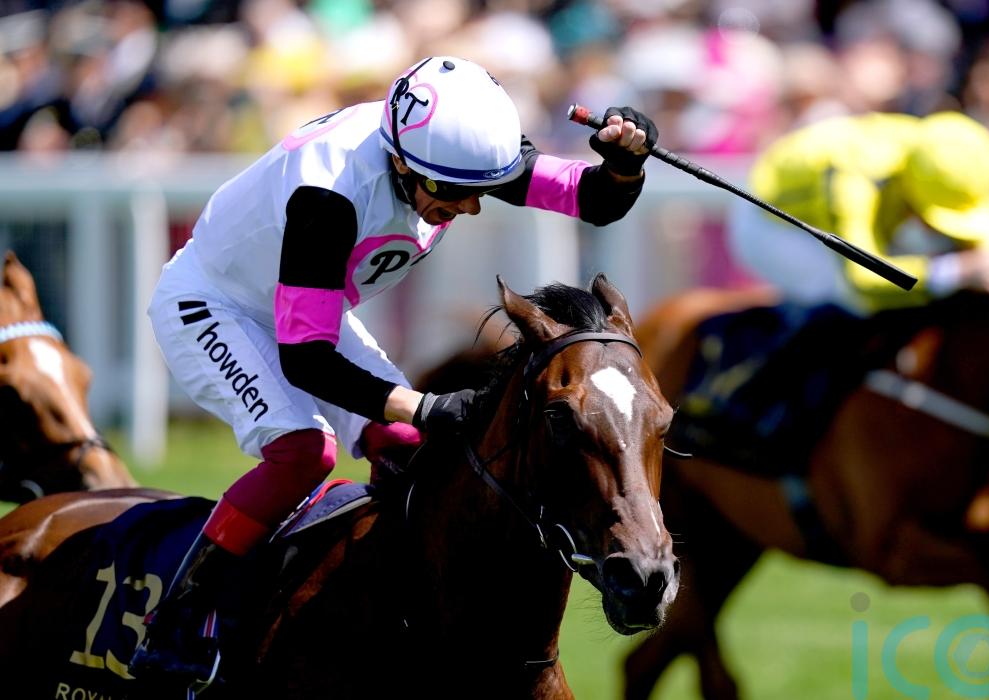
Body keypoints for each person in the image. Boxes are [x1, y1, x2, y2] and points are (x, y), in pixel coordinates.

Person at [131, 56, 658, 683]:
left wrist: (625, 164)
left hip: (299, 309)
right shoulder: (330, 193)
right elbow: (307, 360)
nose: (471, 207)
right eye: (454, 194)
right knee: (303, 453)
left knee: (408, 445)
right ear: (402, 164)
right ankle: (178, 621)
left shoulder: (450, 152)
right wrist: (428, 405)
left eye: (480, 190)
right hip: (213, 306)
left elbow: (591, 198)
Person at [728, 111, 989, 314]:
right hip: (771, 224)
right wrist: (957, 270)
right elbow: (863, 279)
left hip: (843, 203)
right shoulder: (853, 180)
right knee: (854, 302)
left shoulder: (946, 154)